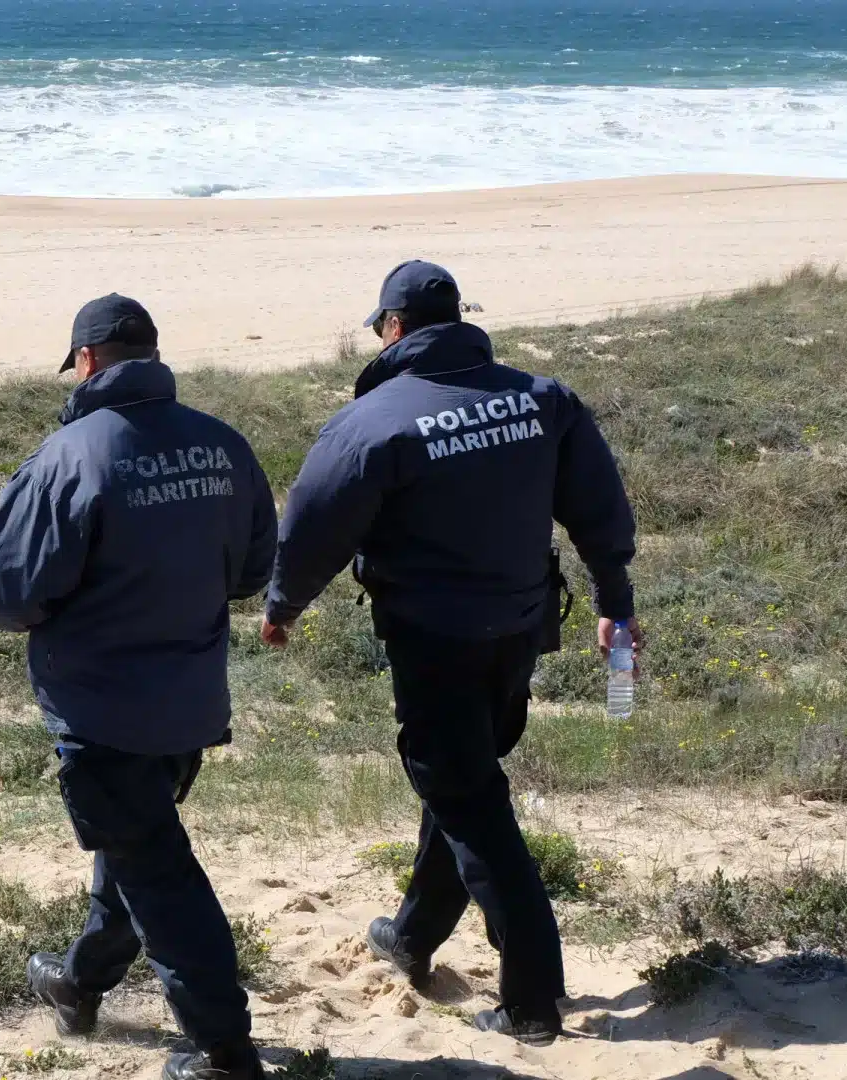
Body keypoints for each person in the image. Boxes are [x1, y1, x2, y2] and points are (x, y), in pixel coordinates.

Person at [259, 261, 639, 1046]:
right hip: (520, 630)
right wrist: (615, 602)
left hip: (434, 640)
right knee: (461, 778)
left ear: (394, 328)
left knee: (468, 798)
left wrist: (282, 606)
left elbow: (314, 525)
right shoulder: (543, 400)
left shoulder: (375, 420)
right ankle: (414, 934)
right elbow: (598, 507)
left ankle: (532, 996)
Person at [0, 294, 279, 1080]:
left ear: (85, 361)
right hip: (190, 703)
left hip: (102, 707)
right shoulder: (223, 444)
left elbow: (7, 597)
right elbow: (252, 573)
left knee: (157, 870)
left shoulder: (70, 455)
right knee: (136, 848)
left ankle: (225, 1051)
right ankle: (77, 984)